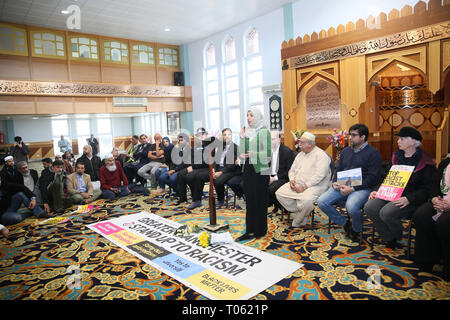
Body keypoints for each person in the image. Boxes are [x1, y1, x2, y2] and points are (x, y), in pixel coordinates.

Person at [364, 126, 436, 250]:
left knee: (386, 212)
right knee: (369, 207)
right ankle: (389, 236)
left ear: (413, 141)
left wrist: (408, 199)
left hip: (410, 198)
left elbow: (428, 189)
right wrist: (377, 189)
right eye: (398, 139)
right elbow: (385, 177)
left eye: (402, 139)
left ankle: (397, 235)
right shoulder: (396, 157)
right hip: (390, 193)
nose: (398, 141)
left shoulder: (425, 161)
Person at [317, 124, 382, 240]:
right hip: (343, 185)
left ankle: (356, 229)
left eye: (353, 135)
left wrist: (353, 189)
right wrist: (335, 182)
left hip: (362, 188)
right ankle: (345, 223)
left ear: (363, 137)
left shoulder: (373, 153)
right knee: (322, 202)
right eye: (349, 135)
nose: (350, 138)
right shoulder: (346, 151)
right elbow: (339, 169)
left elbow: (373, 178)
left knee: (351, 207)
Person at [275, 132, 331, 228]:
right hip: (297, 184)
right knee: (279, 193)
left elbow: (319, 176)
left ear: (310, 144)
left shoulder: (321, 156)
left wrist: (304, 186)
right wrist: (292, 180)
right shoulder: (300, 155)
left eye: (302, 142)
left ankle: (299, 219)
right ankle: (302, 213)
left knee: (306, 201)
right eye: (299, 142)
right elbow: (292, 170)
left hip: (315, 186)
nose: (299, 144)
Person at [236, 107, 271, 241]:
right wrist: (242, 137)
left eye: (251, 115)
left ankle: (260, 230)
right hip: (249, 169)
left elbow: (268, 155)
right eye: (247, 115)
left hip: (261, 171)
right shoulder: (249, 132)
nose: (249, 118)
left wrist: (253, 154)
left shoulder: (264, 132)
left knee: (259, 201)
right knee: (250, 201)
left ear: (257, 117)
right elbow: (243, 151)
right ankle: (250, 230)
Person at [412, 155, 450, 281]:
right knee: (421, 215)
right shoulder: (446, 163)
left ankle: (446, 262)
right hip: (441, 201)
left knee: (444, 222)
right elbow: (434, 187)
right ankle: (427, 259)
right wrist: (434, 199)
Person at [178, 128, 215, 210]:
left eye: (203, 134)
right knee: (188, 176)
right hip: (198, 167)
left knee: (198, 176)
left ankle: (197, 200)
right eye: (199, 135)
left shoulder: (210, 144)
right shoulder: (196, 146)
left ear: (206, 134)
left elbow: (207, 160)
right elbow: (192, 157)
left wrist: (194, 166)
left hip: (207, 168)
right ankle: (195, 196)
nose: (201, 136)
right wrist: (191, 166)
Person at [268, 130, 296, 213]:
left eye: (272, 139)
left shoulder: (287, 152)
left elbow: (289, 171)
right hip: (271, 175)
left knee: (271, 188)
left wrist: (274, 178)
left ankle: (282, 206)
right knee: (259, 184)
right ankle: (273, 205)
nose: (270, 141)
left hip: (282, 177)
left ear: (279, 140)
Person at [158, 133, 191, 197]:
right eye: (179, 140)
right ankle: (177, 189)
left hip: (183, 169)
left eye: (182, 140)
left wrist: (174, 170)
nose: (180, 142)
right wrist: (171, 169)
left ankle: (179, 191)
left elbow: (185, 164)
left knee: (172, 179)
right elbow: (171, 161)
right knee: (162, 177)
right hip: (174, 168)